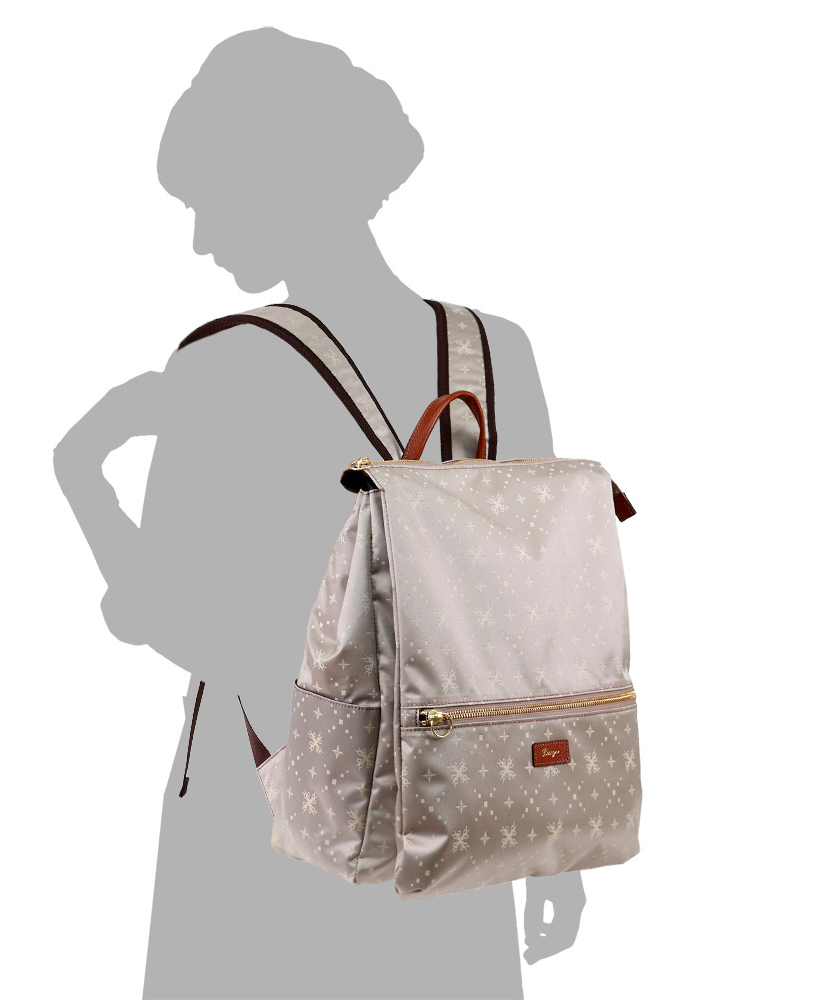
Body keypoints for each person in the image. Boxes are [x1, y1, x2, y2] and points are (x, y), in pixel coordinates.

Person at [54, 27, 584, 1000]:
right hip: (446, 820)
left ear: (274, 178)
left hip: (260, 821)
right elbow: (537, 619)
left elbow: (172, 616)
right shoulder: (496, 354)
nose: (201, 238)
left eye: (208, 197)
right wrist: (552, 847)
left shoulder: (220, 362)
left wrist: (81, 473)